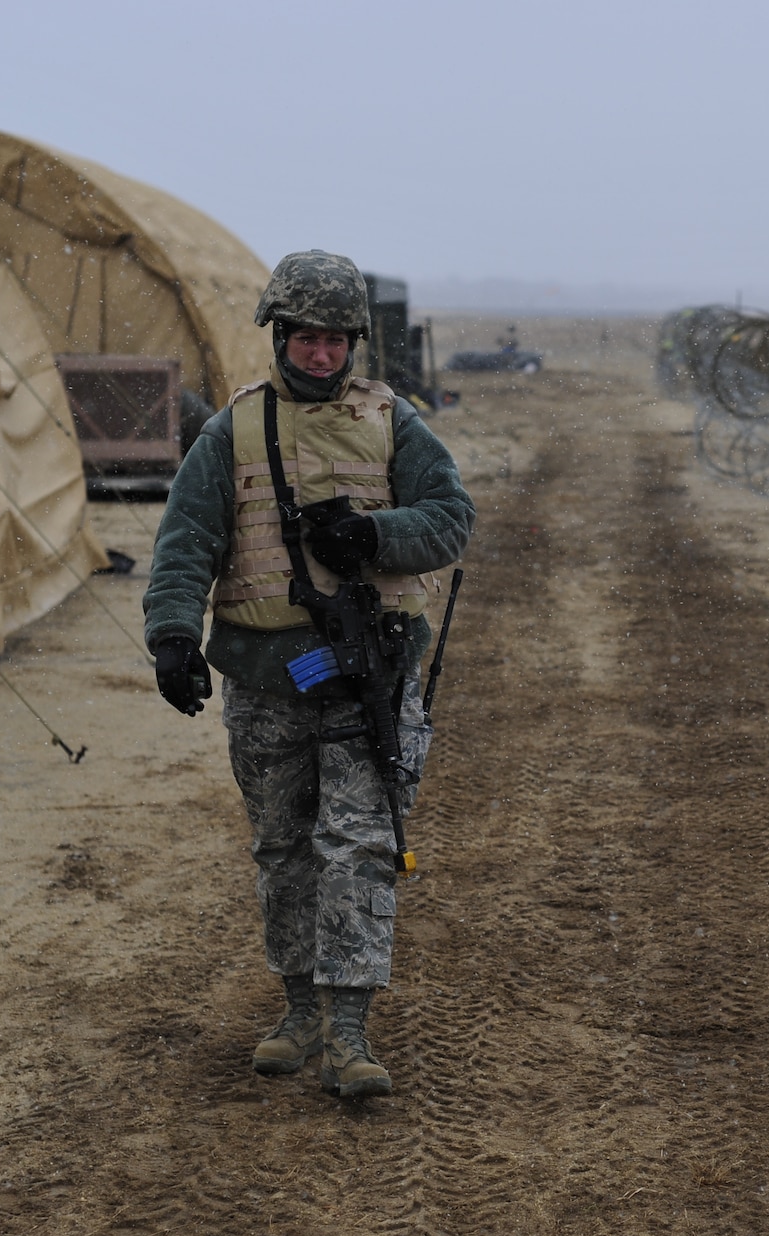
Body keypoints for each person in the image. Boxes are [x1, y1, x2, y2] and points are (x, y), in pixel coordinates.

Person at [143, 251, 474, 1098]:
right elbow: (186, 541)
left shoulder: (394, 424)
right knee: (283, 847)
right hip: (263, 674)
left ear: (353, 343)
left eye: (335, 340)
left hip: (368, 674)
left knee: (359, 845)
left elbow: (450, 518)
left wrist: (374, 536)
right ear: (279, 335)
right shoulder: (233, 431)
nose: (321, 355)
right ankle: (297, 1011)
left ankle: (351, 1029)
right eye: (306, 338)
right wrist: (173, 634)